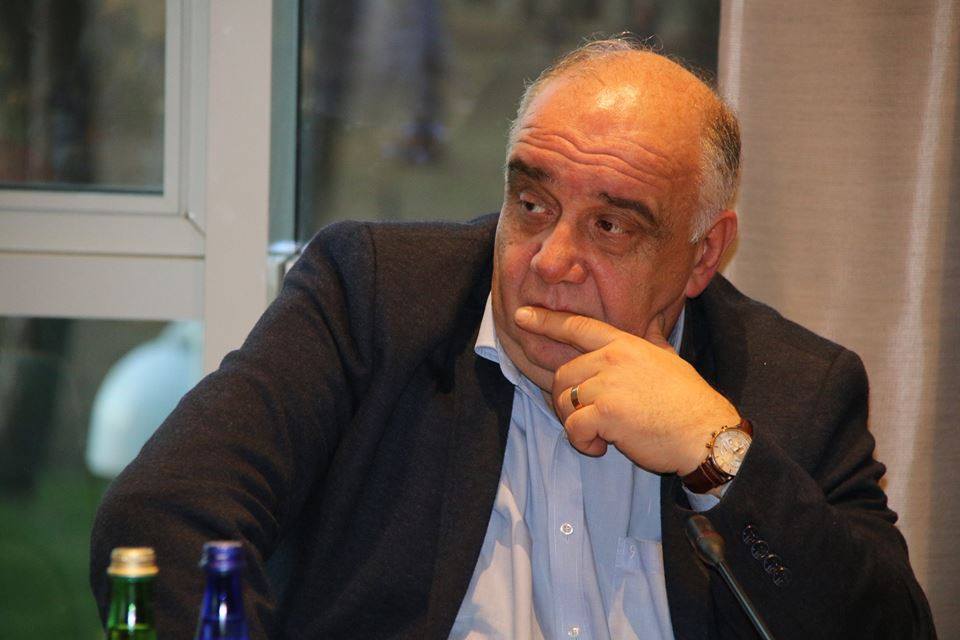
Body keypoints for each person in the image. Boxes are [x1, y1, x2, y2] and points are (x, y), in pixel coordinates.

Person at [90, 38, 936, 639]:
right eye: (532, 205)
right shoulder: (373, 298)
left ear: (701, 256)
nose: (550, 260)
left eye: (610, 226)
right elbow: (160, 517)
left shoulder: (795, 386)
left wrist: (717, 457)